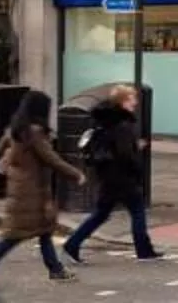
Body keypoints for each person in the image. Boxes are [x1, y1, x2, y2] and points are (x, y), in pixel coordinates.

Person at [0, 89, 83, 282]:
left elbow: (0, 147)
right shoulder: (34, 132)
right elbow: (52, 159)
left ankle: (56, 269)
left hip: (22, 189)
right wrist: (76, 174)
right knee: (14, 237)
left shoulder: (17, 129)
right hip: (31, 192)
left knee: (43, 232)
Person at [59, 85, 161, 263]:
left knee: (100, 214)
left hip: (108, 176)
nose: (135, 103)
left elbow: (113, 147)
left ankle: (72, 245)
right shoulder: (122, 124)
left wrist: (133, 146)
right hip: (122, 177)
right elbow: (124, 154)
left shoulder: (107, 121)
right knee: (137, 210)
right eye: (131, 99)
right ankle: (144, 251)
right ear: (123, 102)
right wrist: (136, 165)